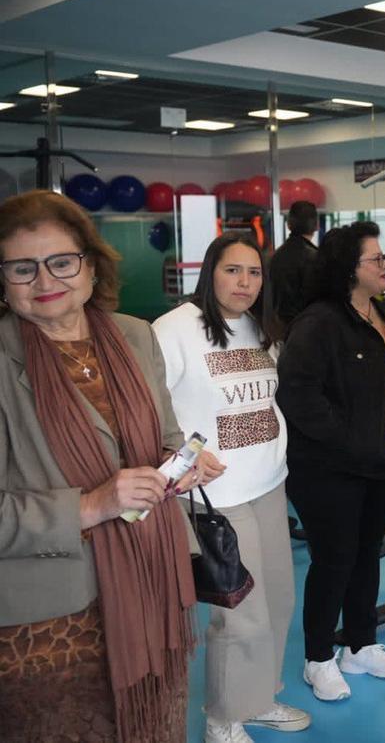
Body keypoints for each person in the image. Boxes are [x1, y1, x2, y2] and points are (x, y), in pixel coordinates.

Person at [0, 190, 222, 742]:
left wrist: (183, 467)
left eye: (61, 261)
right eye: (21, 268)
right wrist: (94, 504)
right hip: (52, 618)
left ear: (91, 267)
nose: (44, 279)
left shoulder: (134, 335)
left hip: (152, 586)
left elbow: (166, 437)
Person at [153, 232, 309, 743]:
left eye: (254, 272)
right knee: (241, 615)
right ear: (210, 273)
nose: (244, 282)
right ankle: (222, 716)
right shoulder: (175, 329)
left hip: (268, 483)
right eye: (232, 270)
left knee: (280, 601)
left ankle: (258, 698)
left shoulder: (261, 330)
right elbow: (147, 409)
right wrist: (187, 461)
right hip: (217, 496)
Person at [276, 221, 385, 703]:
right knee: (334, 561)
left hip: (384, 460)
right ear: (347, 270)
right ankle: (318, 658)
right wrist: (352, 440)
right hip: (329, 469)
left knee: (366, 556)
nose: (384, 265)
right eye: (375, 259)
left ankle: (360, 644)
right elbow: (297, 395)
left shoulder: (383, 312)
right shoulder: (319, 322)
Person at [268, 200, 319, 328]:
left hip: (278, 327)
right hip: (308, 327)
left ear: (288, 225)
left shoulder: (274, 257)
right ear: (316, 226)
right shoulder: (317, 258)